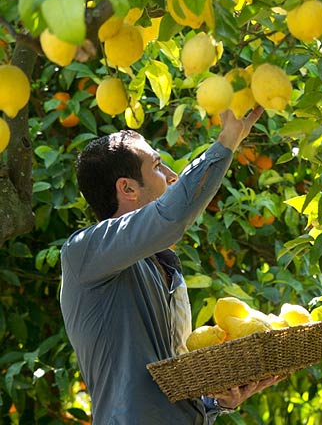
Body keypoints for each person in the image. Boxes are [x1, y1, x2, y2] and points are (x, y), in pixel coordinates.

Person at [60, 107, 282, 424]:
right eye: (158, 165)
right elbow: (172, 215)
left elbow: (170, 389)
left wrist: (217, 401)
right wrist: (227, 141)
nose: (171, 175)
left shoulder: (164, 267)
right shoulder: (82, 252)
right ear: (127, 188)